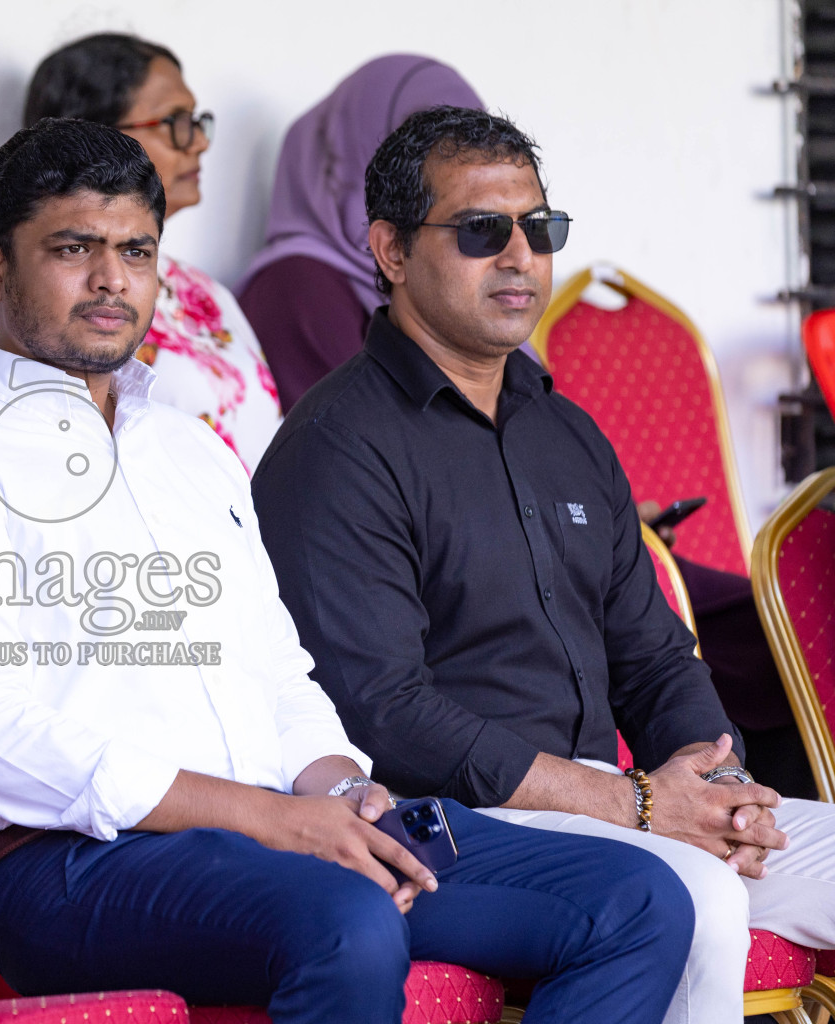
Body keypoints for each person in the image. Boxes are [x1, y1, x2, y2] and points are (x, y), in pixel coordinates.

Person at [0, 116, 695, 1024]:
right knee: (348, 917)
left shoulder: (190, 451)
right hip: (75, 862)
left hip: (282, 836)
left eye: (137, 250)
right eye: (72, 248)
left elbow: (277, 671)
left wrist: (340, 790)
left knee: (637, 901)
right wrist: (270, 822)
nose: (111, 280)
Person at [250, 106, 835, 1024]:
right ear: (391, 250)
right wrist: (632, 804)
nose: (520, 256)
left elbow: (653, 654)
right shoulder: (337, 447)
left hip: (618, 805)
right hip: (467, 827)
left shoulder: (566, 432)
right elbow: (384, 711)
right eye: (482, 231)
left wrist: (716, 788)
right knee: (697, 899)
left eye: (540, 228)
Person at [23, 35, 280, 471]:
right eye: (175, 122)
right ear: (97, 141)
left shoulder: (203, 292)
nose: (198, 142)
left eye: (197, 121)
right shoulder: (49, 297)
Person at [236, 56, 480, 411]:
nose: (457, 182)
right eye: (421, 153)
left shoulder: (449, 285)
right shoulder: (299, 292)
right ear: (352, 160)